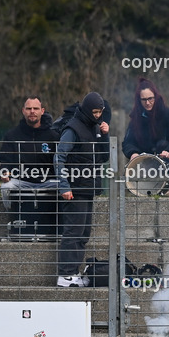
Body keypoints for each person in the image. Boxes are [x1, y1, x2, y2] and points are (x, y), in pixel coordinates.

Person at [54, 92, 109, 287]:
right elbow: (59, 156)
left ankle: (74, 272)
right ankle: (65, 274)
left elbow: (104, 157)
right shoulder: (73, 128)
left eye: (100, 112)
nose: (97, 115)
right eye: (94, 112)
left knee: (83, 233)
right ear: (86, 110)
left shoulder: (95, 128)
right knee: (73, 232)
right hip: (75, 190)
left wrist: (105, 135)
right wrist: (64, 185)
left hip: (88, 189)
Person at [0, 95, 61, 209]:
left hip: (48, 181)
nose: (32, 112)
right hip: (22, 181)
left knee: (65, 185)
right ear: (23, 111)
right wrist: (4, 172)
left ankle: (60, 221)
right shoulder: (12, 135)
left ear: (42, 111)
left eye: (35, 109)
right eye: (29, 109)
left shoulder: (53, 136)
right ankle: (13, 215)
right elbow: (4, 160)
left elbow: (61, 160)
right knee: (6, 187)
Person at [122, 78, 169, 176]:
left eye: (150, 98)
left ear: (156, 97)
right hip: (146, 164)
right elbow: (128, 142)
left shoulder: (168, 115)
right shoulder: (135, 119)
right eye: (144, 100)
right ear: (139, 100)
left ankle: (166, 187)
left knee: (162, 144)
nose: (148, 103)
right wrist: (133, 153)